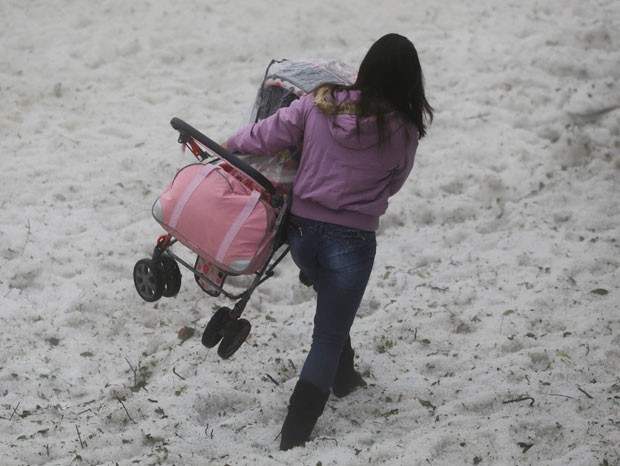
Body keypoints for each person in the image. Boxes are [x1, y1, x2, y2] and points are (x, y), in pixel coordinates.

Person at [224, 33, 433, 450]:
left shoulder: (320, 102)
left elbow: (268, 135)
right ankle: (295, 435)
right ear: (410, 82)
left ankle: (345, 375)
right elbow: (394, 184)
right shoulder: (405, 132)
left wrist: (228, 145)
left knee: (333, 305)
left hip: (301, 234)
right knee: (328, 335)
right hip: (351, 243)